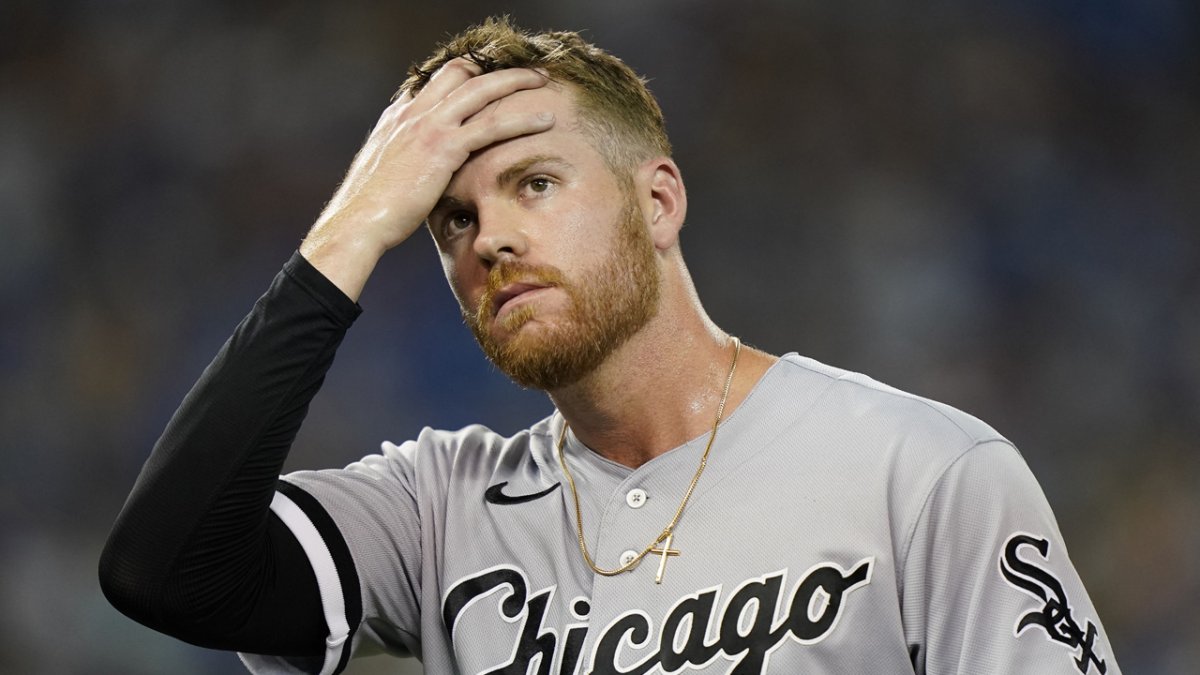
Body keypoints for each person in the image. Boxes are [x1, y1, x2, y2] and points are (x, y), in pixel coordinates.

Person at [99, 17, 1121, 675]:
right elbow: (166, 570)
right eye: (448, 219)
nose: (489, 236)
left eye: (535, 183)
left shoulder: (924, 474)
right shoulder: (436, 508)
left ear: (658, 201)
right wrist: (357, 221)